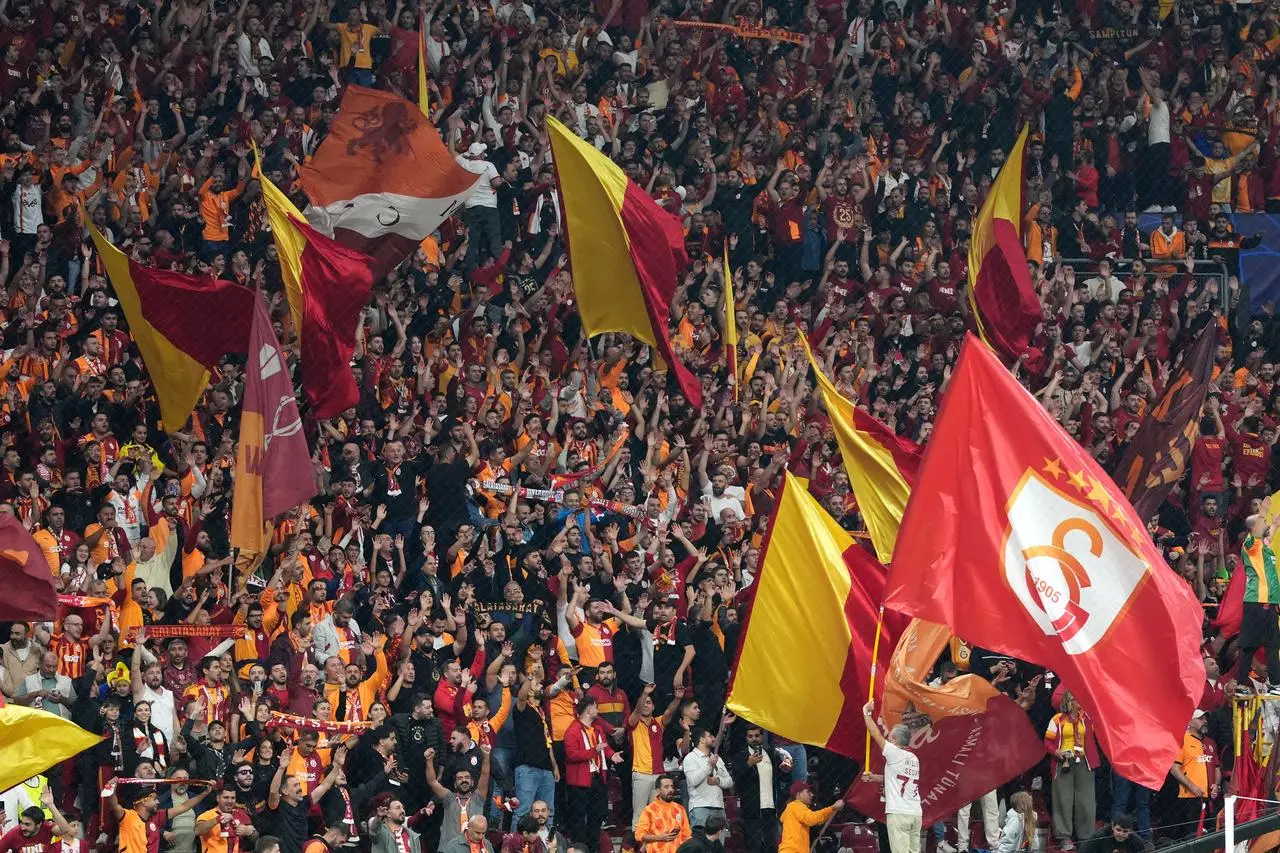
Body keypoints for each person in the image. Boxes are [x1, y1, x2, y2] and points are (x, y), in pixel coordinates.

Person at [862, 701, 920, 853]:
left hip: (899, 813)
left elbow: (875, 734)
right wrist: (874, 778)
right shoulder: (913, 758)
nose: (888, 739)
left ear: (895, 741)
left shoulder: (894, 753)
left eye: (890, 738)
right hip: (915, 812)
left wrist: (866, 713)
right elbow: (896, 777)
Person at [1045, 692, 1099, 850]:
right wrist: (1056, 752)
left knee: (1086, 800)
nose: (1081, 702)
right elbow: (1047, 741)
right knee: (1063, 799)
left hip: (1084, 761)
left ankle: (1086, 837)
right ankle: (1064, 837)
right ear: (1069, 701)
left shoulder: (1086, 718)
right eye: (1077, 699)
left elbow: (1098, 731)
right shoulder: (1057, 719)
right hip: (1063, 763)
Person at [1236, 514, 1280, 695]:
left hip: (1269, 603)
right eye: (1263, 523)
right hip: (1256, 601)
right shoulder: (1250, 545)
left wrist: (1276, 526)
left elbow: (1267, 540)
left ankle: (1276, 684)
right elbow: (1258, 538)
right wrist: (1262, 511)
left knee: (1273, 644)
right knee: (1249, 644)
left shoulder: (1263, 547)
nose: (1266, 526)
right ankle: (1240, 683)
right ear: (1254, 528)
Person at [778, 781, 842, 853]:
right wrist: (832, 808)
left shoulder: (792, 809)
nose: (812, 795)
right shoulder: (795, 806)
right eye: (808, 792)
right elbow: (812, 819)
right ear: (799, 794)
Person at [634, 775, 691, 853]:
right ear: (658, 790)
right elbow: (639, 835)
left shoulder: (680, 809)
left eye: (672, 786)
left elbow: (687, 835)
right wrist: (659, 837)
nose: (671, 790)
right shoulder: (649, 810)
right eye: (666, 787)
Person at [1078, 816, 1146, 853]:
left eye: (1125, 831)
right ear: (1113, 827)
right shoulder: (1100, 836)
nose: (1121, 834)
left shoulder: (1136, 840)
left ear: (1130, 830)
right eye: (1118, 830)